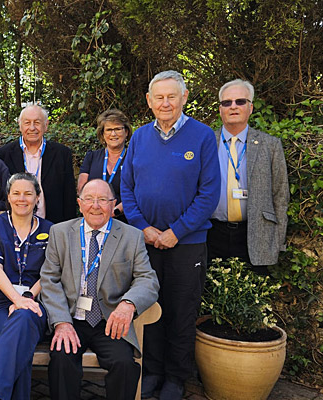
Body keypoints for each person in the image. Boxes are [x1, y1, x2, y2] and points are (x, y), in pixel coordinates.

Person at [120, 70, 221, 400]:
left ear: (184, 97)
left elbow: (208, 194)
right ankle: (151, 371)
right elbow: (127, 188)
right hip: (145, 242)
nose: (165, 103)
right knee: (149, 309)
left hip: (186, 245)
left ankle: (176, 379)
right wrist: (143, 228)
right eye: (159, 97)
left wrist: (176, 232)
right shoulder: (138, 137)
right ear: (149, 101)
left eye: (171, 96)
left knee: (180, 311)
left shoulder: (203, 136)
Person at [40, 179, 160, 400]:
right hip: (72, 318)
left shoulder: (131, 236)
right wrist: (61, 321)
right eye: (89, 199)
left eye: (103, 200)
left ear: (113, 204)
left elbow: (148, 279)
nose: (95, 205)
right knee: (61, 359)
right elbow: (49, 280)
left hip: (110, 321)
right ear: (79, 203)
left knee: (124, 364)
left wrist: (128, 304)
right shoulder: (60, 233)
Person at [0, 173, 52, 400]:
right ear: (8, 197)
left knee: (20, 326)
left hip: (35, 302)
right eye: (16, 193)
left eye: (28, 193)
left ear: (37, 198)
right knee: (18, 340)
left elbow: (50, 272)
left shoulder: (51, 230)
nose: (22, 199)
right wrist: (16, 300)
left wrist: (26, 299)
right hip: (0, 302)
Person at [207, 79, 289, 274]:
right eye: (227, 102)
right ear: (220, 110)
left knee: (254, 300)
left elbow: (280, 195)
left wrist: (277, 240)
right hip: (212, 234)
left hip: (256, 234)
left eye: (240, 101)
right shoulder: (207, 142)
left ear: (250, 108)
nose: (233, 107)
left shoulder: (270, 145)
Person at [0, 104, 77, 223]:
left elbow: (69, 197)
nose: (32, 128)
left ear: (46, 125)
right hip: (14, 227)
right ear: (20, 125)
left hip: (53, 226)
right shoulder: (2, 155)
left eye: (37, 122)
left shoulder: (62, 154)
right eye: (27, 123)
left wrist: (69, 228)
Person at [78, 109, 133, 222]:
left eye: (118, 129)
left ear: (126, 132)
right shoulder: (91, 157)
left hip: (124, 220)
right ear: (102, 134)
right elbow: (81, 190)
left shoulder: (133, 158)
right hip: (94, 217)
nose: (113, 134)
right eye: (109, 130)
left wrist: (116, 210)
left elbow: (138, 191)